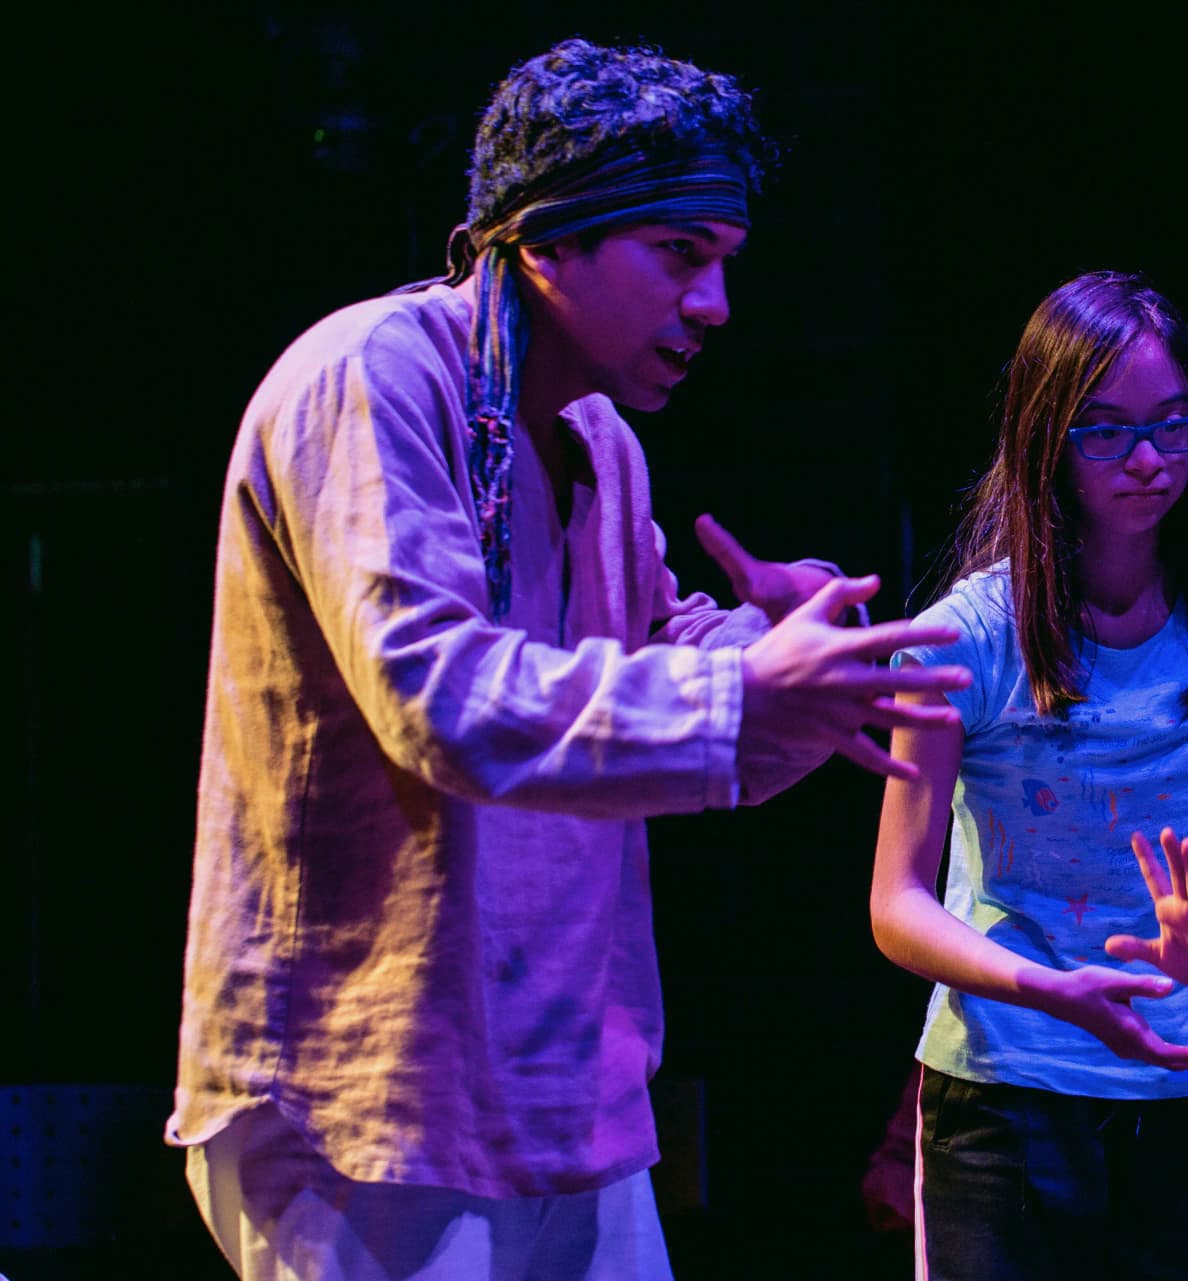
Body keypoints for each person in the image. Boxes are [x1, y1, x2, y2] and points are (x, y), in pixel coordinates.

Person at [167, 37, 969, 1281]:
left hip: (560, 1085)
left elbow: (642, 661)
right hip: (366, 1093)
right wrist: (739, 688)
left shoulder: (597, 438)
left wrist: (786, 654)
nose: (714, 305)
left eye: (725, 261)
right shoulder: (373, 376)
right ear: (547, 237)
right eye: (680, 254)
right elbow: (438, 694)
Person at [870, 271, 1188, 1279]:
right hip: (1007, 1091)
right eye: (1106, 432)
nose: (1149, 460)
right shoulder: (963, 640)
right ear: (1046, 439)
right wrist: (1048, 987)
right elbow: (895, 901)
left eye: (1173, 426)